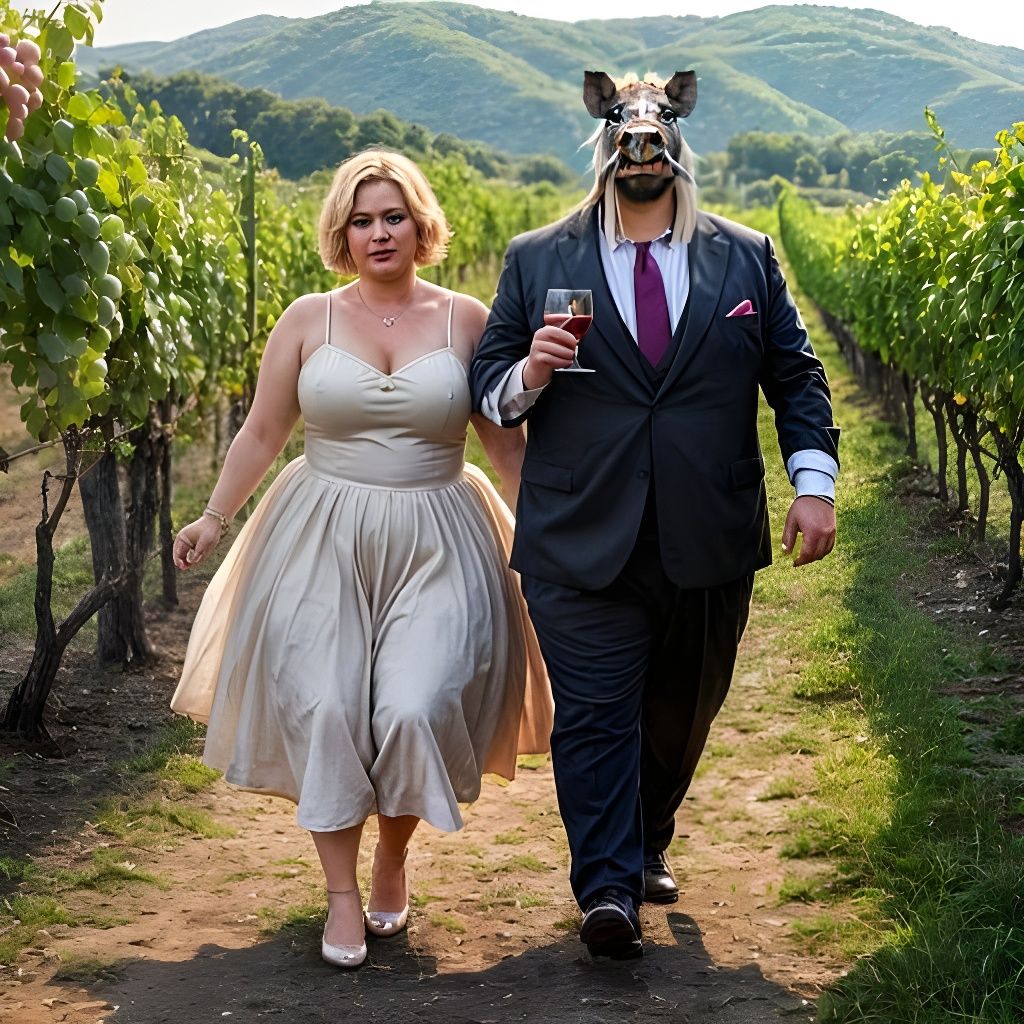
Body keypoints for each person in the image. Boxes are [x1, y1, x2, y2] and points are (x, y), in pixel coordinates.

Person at [471, 71, 839, 960]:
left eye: (657, 138)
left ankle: (646, 841)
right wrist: (532, 373)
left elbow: (794, 374)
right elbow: (484, 388)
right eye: (627, 140)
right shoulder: (537, 257)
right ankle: (605, 888)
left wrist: (814, 482)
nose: (642, 153)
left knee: (681, 712)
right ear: (604, 149)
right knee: (596, 714)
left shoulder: (746, 255)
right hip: (579, 536)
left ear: (677, 149)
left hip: (707, 531)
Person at [170, 150, 552, 970]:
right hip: (321, 534)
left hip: (441, 534)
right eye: (362, 219)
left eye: (393, 216)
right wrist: (211, 517)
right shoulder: (309, 317)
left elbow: (507, 447)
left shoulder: (468, 320)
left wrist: (550, 541)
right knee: (327, 705)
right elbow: (263, 432)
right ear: (342, 233)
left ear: (422, 225)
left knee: (418, 704)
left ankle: (393, 852)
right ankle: (341, 891)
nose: (379, 232)